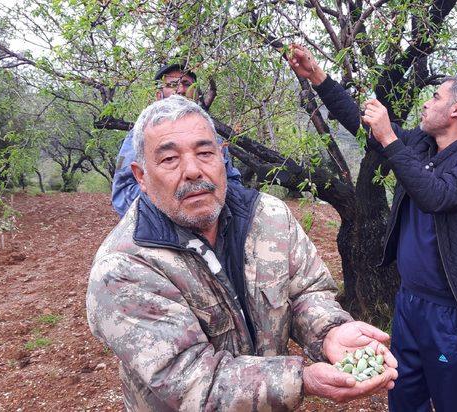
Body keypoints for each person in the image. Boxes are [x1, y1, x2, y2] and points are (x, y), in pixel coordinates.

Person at [87, 95, 398, 411]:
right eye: (169, 159)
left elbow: (306, 292)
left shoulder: (268, 216)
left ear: (222, 157)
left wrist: (330, 331)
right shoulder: (123, 268)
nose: (193, 170)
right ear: (141, 176)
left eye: (205, 152)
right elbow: (192, 381)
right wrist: (302, 379)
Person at [287, 44, 457, 412]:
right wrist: (317, 77)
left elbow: (434, 195)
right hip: (408, 302)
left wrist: (389, 138)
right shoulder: (422, 145)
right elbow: (362, 122)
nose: (426, 103)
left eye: (435, 97)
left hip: (452, 310)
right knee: (404, 398)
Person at [111, 63, 242, 216]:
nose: (180, 90)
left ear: (196, 92)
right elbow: (122, 195)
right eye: (172, 85)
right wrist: (175, 204)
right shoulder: (141, 137)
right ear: (158, 94)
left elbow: (232, 179)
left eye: (186, 84)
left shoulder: (214, 136)